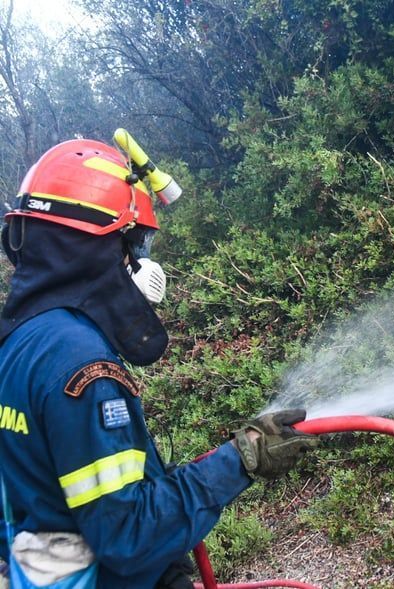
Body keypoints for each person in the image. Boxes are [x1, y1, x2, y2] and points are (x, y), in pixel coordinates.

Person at [0, 136, 319, 588]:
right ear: (102, 248)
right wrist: (241, 459)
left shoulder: (18, 344)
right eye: (135, 244)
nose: (140, 260)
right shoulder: (83, 368)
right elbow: (125, 533)